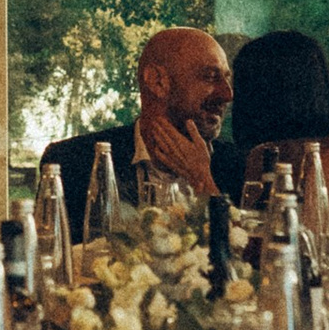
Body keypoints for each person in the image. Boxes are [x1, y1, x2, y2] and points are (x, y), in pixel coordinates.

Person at [42, 28, 234, 239]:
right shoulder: (73, 163)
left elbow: (246, 259)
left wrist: (203, 180)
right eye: (209, 77)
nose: (227, 94)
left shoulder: (237, 168)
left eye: (226, 79)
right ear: (157, 82)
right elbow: (52, 260)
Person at [223, 31, 329, 259]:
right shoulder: (263, 156)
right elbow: (245, 250)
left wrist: (200, 176)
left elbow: (280, 247)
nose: (231, 98)